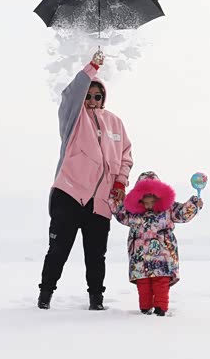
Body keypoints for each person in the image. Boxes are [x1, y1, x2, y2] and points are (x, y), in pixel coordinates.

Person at [38, 50, 133, 311]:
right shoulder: (73, 117)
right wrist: (92, 67)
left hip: (100, 201)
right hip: (69, 194)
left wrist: (120, 182)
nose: (92, 100)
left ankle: (96, 301)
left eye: (97, 96)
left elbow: (125, 156)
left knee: (96, 255)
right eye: (88, 96)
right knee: (58, 250)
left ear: (103, 98)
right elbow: (71, 94)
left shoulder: (115, 123)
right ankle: (45, 296)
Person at [108, 171, 203, 316]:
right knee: (143, 282)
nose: (149, 206)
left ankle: (161, 308)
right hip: (140, 256)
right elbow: (120, 213)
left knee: (161, 281)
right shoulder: (132, 212)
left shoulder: (169, 209)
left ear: (159, 197)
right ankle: (145, 308)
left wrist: (194, 204)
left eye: (152, 202)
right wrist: (114, 195)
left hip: (163, 254)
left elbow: (182, 213)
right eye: (145, 203)